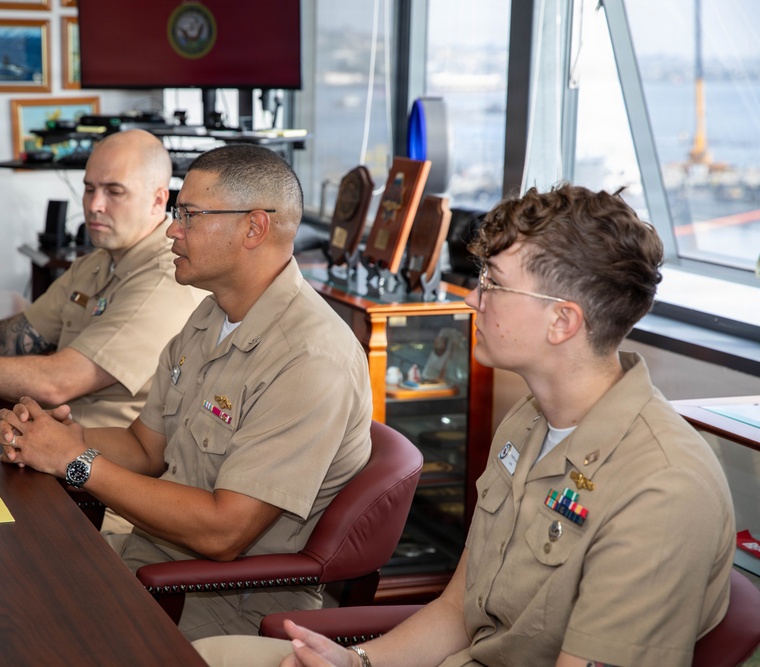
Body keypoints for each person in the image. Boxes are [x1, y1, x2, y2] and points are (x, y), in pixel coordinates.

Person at [193, 183, 736, 667]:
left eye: (494, 284)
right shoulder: (528, 422)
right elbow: (459, 609)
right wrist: (356, 662)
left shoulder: (662, 488)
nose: (474, 298)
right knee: (208, 655)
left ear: (562, 321)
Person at [0, 144, 373, 641]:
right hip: (152, 560)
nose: (172, 230)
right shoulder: (211, 315)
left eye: (189, 215)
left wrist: (77, 462)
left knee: (15, 628)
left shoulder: (309, 359)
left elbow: (223, 532)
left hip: (225, 603)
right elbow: (147, 447)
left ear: (254, 228)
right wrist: (57, 437)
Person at [0, 129, 203, 430]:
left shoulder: (165, 279)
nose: (95, 205)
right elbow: (14, 336)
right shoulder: (98, 263)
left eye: (114, 191)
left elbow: (56, 383)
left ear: (158, 200)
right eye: (89, 189)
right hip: (49, 439)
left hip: (100, 465)